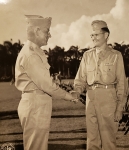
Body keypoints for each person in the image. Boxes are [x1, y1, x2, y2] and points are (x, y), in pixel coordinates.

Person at [15, 15, 78, 150]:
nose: (49, 35)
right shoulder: (31, 55)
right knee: (36, 147)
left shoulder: (36, 52)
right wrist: (69, 96)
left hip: (37, 103)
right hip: (35, 105)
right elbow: (47, 85)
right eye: (46, 31)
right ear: (37, 31)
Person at [73, 20, 126, 150]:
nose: (93, 38)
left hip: (109, 98)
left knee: (108, 140)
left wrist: (120, 107)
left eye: (96, 34)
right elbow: (80, 79)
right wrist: (77, 91)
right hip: (90, 98)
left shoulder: (116, 56)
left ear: (106, 35)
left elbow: (122, 83)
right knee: (92, 139)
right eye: (92, 35)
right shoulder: (87, 55)